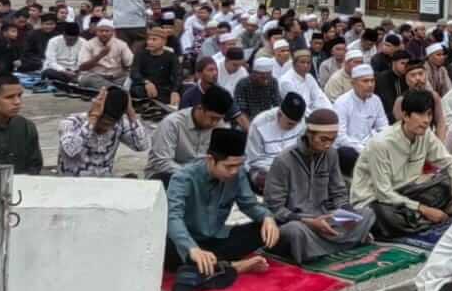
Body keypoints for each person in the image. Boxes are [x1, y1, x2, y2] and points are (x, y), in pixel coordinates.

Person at [350, 89, 452, 239]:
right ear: (405, 116)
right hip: (376, 199)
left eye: (429, 114)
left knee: (446, 183)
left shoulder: (425, 134)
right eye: (421, 114)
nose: (426, 120)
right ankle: (421, 218)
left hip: (406, 191)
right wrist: (424, 209)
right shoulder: (380, 144)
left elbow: (449, 162)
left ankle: (415, 219)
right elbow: (383, 193)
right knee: (384, 215)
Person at [164, 127, 281, 279]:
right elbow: (174, 218)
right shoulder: (183, 178)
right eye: (229, 166)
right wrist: (192, 249)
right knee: (168, 252)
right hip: (187, 240)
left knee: (263, 230)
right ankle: (232, 266)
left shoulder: (237, 174)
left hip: (216, 239)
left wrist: (267, 218)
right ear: (211, 160)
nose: (234, 171)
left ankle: (213, 265)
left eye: (238, 165)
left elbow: (249, 204)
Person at [264, 108, 376, 260]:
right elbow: (274, 207)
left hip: (327, 219)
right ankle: (345, 243)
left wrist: (348, 213)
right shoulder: (283, 161)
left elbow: (338, 193)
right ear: (309, 135)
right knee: (294, 232)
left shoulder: (331, 154)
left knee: (366, 213)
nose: (328, 145)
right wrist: (309, 221)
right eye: (323, 139)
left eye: (333, 139)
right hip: (300, 222)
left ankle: (320, 249)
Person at [146, 84, 233, 185]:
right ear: (201, 108)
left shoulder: (221, 126)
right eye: (212, 118)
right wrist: (194, 175)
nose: (214, 123)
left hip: (200, 178)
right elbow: (162, 163)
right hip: (167, 175)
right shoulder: (172, 123)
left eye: (219, 119)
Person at [57, 86, 146, 176]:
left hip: (105, 185)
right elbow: (70, 150)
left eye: (108, 125)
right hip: (72, 185)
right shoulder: (71, 122)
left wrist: (131, 114)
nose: (104, 128)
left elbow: (141, 145)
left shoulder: (119, 125)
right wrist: (93, 117)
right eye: (101, 123)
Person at [334, 63, 389, 176]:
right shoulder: (342, 103)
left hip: (370, 144)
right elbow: (340, 137)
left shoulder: (375, 100)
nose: (370, 85)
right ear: (353, 83)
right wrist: (363, 149)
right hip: (351, 148)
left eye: (372, 81)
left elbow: (383, 127)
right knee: (347, 154)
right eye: (365, 81)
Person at [131, 27, 181, 109]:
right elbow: (134, 72)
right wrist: (146, 82)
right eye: (149, 39)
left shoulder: (171, 56)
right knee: (137, 90)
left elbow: (178, 75)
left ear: (163, 42)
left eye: (154, 40)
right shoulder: (141, 54)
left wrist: (175, 91)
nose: (150, 42)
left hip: (163, 88)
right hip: (144, 87)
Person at [77, 18, 133, 91]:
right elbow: (82, 67)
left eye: (107, 31)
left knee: (132, 77)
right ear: (96, 32)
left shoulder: (121, 44)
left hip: (117, 78)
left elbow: (130, 63)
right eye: (101, 31)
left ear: (112, 32)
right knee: (86, 79)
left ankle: (113, 89)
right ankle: (117, 90)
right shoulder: (88, 44)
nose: (104, 33)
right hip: (96, 77)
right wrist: (100, 56)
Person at [232, 57, 282, 132]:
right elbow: (241, 112)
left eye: (268, 75)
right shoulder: (243, 84)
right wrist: (252, 131)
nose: (266, 79)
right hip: (246, 123)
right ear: (254, 73)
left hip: (266, 120)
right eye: (262, 76)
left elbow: (277, 104)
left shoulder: (273, 81)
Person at [278, 49, 329, 115]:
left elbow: (319, 97)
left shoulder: (309, 77)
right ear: (294, 64)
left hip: (312, 113)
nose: (306, 65)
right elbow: (297, 105)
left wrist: (330, 111)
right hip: (295, 116)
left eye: (308, 63)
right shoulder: (286, 81)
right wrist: (315, 118)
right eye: (302, 62)